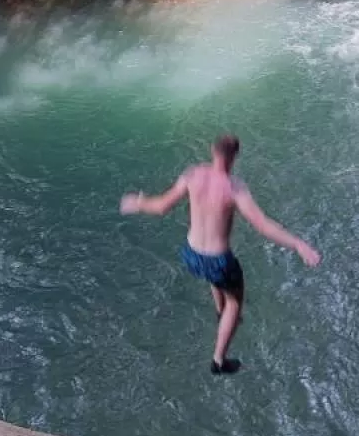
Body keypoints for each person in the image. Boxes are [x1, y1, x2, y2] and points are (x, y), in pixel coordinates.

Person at [120, 134, 321, 375]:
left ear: (212, 151)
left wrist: (139, 202)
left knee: (215, 277)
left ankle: (219, 312)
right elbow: (262, 224)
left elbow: (162, 206)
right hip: (218, 260)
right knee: (235, 301)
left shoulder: (193, 174)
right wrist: (297, 244)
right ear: (235, 156)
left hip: (191, 254)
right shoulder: (235, 188)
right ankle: (219, 360)